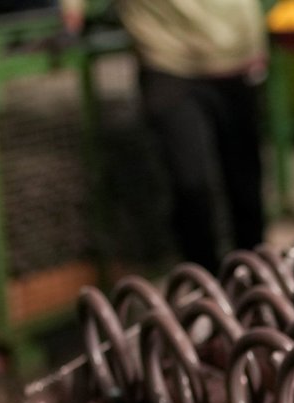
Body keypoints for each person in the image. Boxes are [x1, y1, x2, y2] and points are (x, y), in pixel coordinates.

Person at [63, 0, 267, 270]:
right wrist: (70, 14)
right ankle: (205, 282)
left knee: (245, 182)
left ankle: (256, 276)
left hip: (237, 64)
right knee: (191, 186)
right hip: (170, 66)